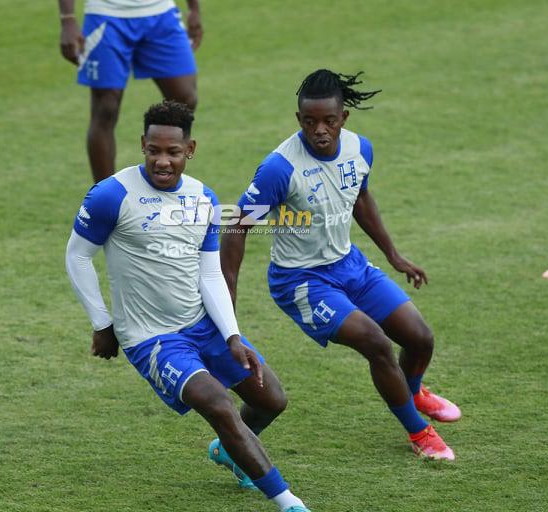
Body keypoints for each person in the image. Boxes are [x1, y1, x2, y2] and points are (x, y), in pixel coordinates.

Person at [65, 101, 311, 512]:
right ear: (142, 145)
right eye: (154, 151)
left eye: (173, 152)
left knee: (272, 399)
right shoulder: (113, 194)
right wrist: (102, 324)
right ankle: (289, 502)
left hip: (200, 324)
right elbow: (76, 256)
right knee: (219, 405)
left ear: (190, 149)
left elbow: (210, 274)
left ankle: (231, 451)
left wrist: (232, 336)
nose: (163, 161)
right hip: (151, 338)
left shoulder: (203, 199)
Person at [220, 69, 461, 461]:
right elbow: (236, 228)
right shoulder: (280, 169)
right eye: (309, 121)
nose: (320, 130)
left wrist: (393, 255)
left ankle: (413, 392)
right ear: (299, 119)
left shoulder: (360, 149)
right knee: (377, 344)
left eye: (329, 121)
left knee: (420, 338)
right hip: (301, 281)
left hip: (350, 266)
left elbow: (360, 198)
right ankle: (421, 435)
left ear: (343, 117)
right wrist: (229, 313)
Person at [58, 0, 202, 182]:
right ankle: (105, 199)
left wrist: (194, 9)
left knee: (185, 97)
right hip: (106, 13)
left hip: (161, 11)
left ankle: (168, 182)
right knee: (105, 108)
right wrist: (67, 18)